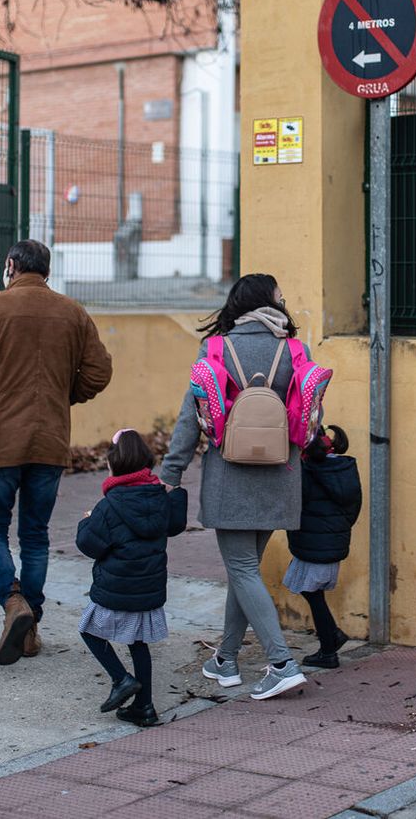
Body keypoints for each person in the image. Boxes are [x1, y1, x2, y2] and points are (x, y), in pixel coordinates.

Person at [0, 239, 114, 667]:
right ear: (46, 270)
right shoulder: (73, 312)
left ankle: (12, 602)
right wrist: (65, 394)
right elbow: (99, 371)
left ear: (11, 266)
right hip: (49, 440)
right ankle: (31, 627)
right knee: (35, 535)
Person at [159, 273, 309, 701]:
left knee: (242, 570)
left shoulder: (217, 348)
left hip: (231, 475)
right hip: (281, 474)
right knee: (245, 572)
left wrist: (171, 473)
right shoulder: (295, 349)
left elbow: (192, 415)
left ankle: (281, 663)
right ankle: (225, 659)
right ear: (268, 301)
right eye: (280, 295)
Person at [75, 429, 188, 728]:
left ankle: (120, 679)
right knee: (138, 644)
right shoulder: (159, 496)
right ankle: (145, 707)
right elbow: (176, 524)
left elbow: (89, 545)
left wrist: (86, 521)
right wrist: (175, 492)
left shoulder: (110, 505)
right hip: (149, 588)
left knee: (89, 630)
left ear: (116, 465)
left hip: (117, 587)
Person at [283, 425, 362, 670]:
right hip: (330, 541)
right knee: (310, 590)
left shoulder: (308, 471)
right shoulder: (344, 468)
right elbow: (353, 508)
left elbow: (297, 503)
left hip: (313, 542)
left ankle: (329, 648)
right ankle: (332, 637)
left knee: (311, 591)